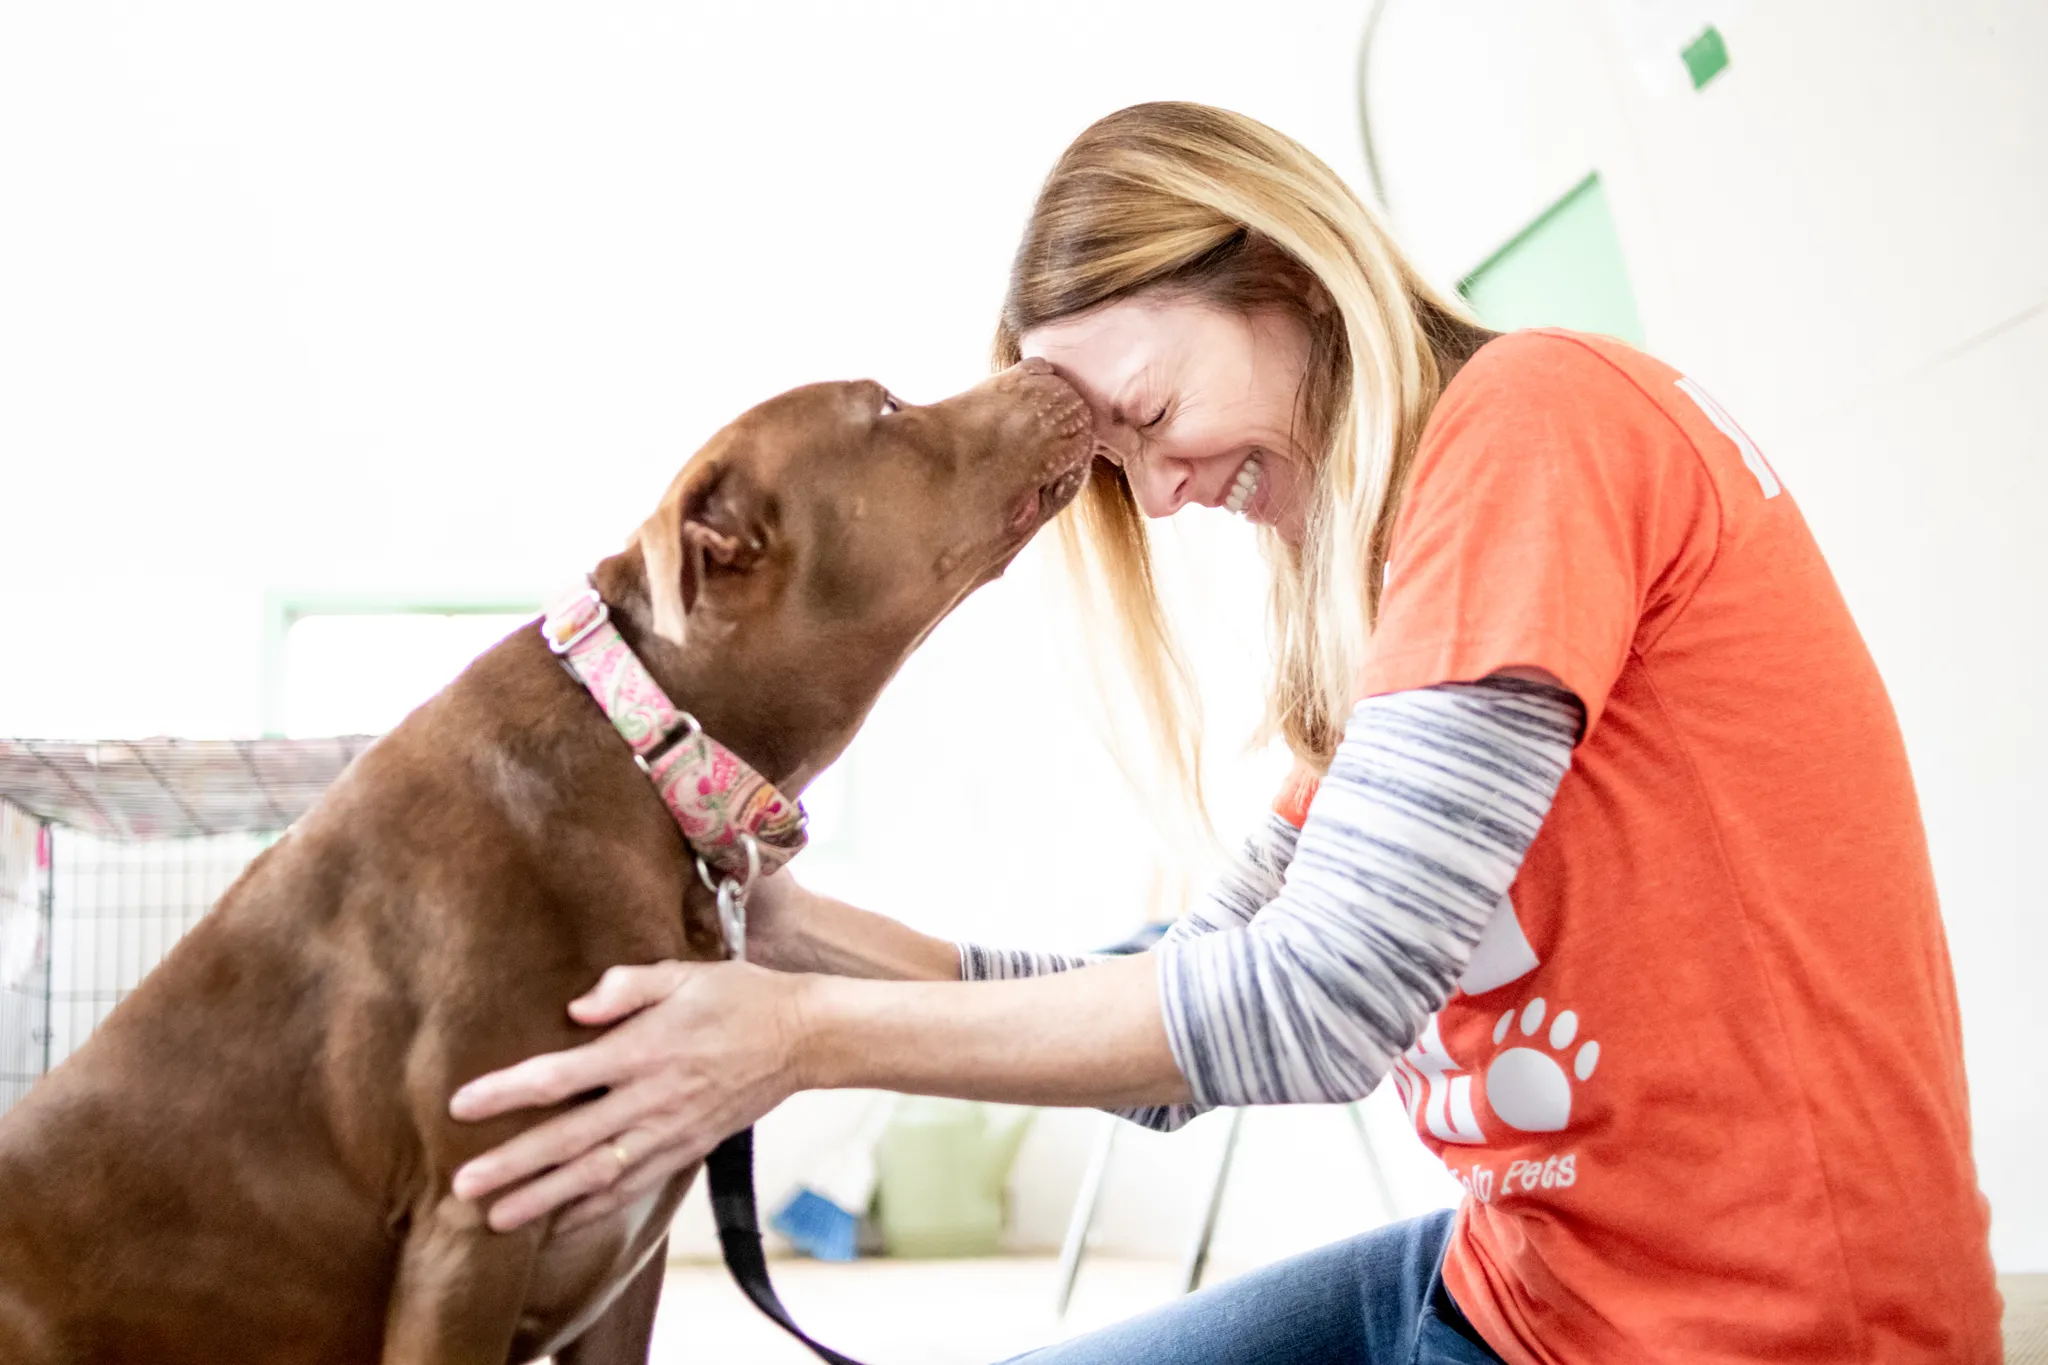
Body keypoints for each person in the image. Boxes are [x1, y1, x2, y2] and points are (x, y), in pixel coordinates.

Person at [446, 102, 2001, 1363]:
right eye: (1117, 467)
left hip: (1749, 1337)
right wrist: (794, 940)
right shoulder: (1410, 594)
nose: (1165, 492)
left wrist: (791, 1049)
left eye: (1144, 414)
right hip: (1519, 1285)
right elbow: (1184, 1015)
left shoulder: (1539, 426)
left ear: (1278, 271)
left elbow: (1313, 1008)